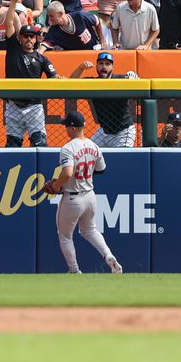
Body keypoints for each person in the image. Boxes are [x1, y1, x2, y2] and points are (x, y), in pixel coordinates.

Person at [44, 110, 122, 275]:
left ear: (72, 128)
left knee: (65, 236)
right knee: (90, 230)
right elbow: (101, 169)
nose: (65, 128)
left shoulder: (68, 148)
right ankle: (108, 255)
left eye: (66, 126)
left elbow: (67, 173)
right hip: (90, 196)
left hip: (73, 197)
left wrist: (56, 186)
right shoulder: (94, 146)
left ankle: (74, 270)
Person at [3, 23, 54, 147]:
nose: (29, 39)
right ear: (20, 38)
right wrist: (13, 4)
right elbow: (9, 23)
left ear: (36, 38)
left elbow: (54, 77)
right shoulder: (13, 49)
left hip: (34, 107)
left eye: (32, 36)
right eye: (26, 36)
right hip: (13, 105)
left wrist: (59, 78)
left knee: (39, 144)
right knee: (13, 146)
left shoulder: (42, 59)